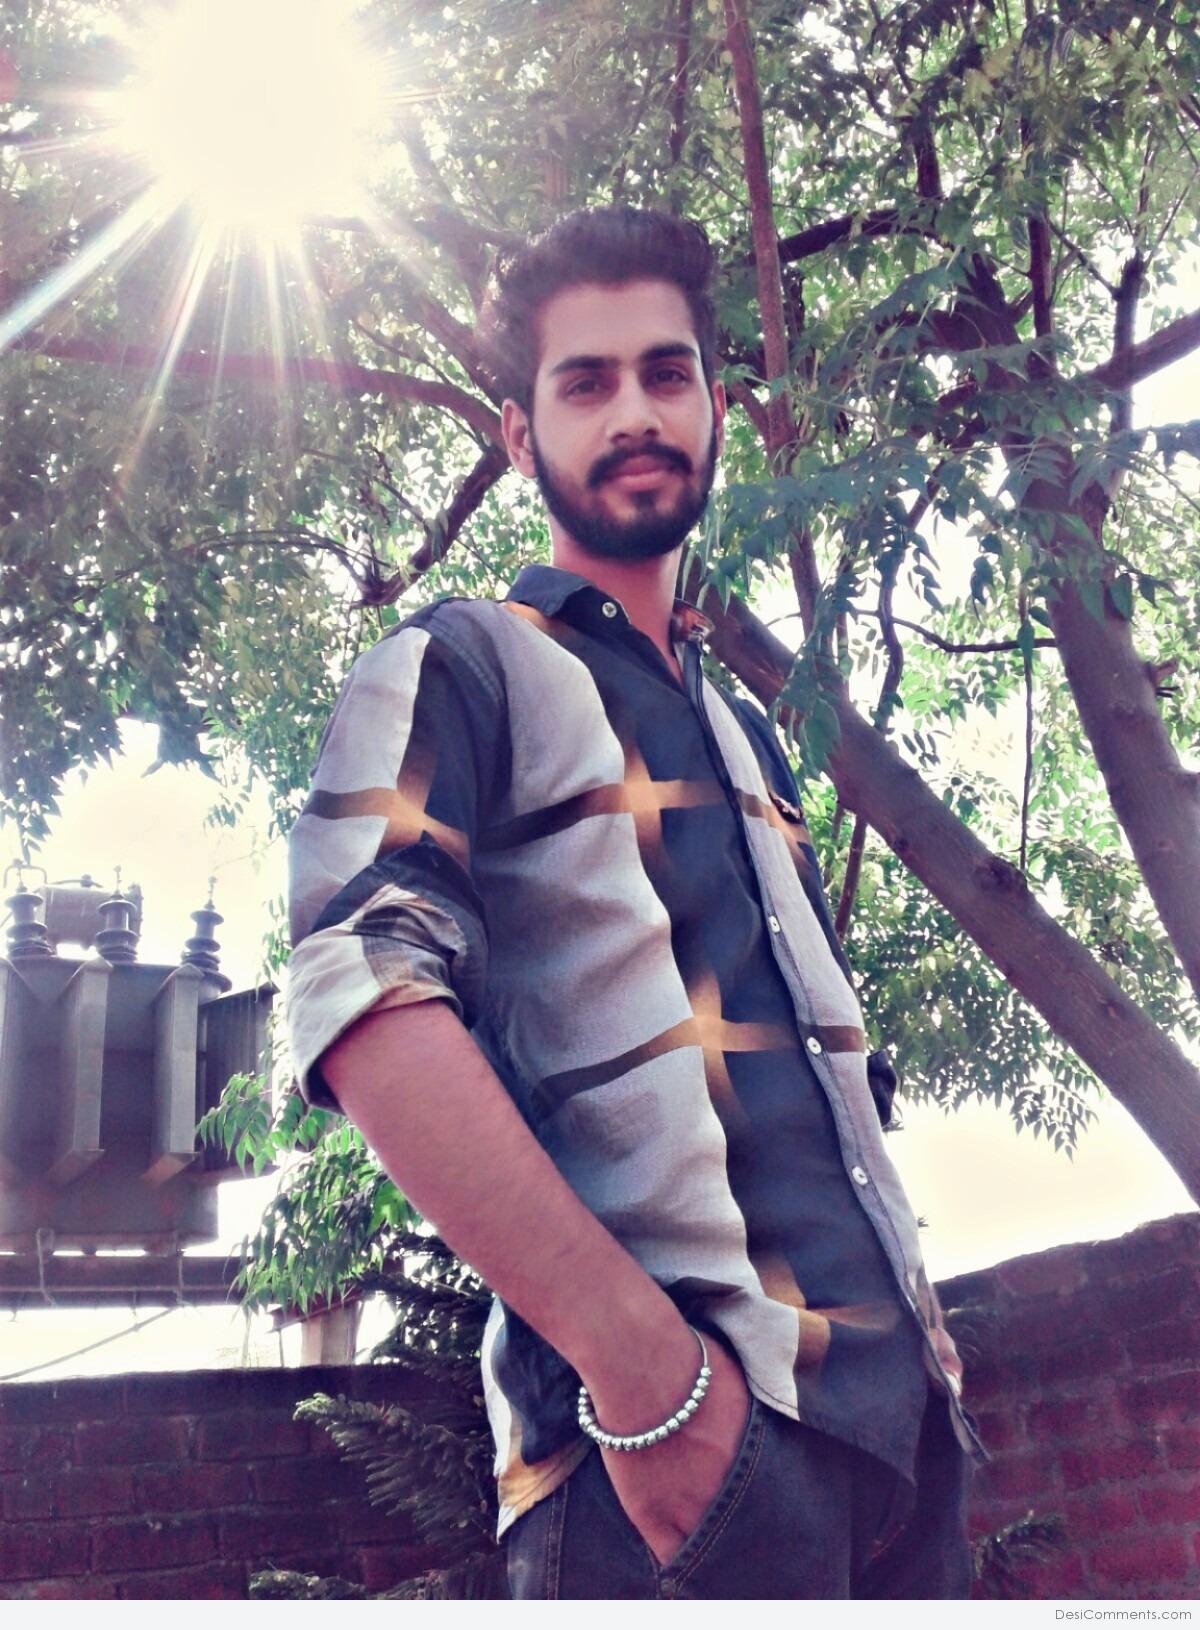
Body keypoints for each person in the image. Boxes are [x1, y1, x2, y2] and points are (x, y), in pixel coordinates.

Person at [286, 206, 985, 1601]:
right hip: (672, 1474)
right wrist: (648, 1380)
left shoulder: (747, 732)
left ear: (716, 407)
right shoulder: (461, 661)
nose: (635, 413)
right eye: (586, 382)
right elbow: (363, 996)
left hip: (905, 1459)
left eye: (668, 374)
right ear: (516, 434)